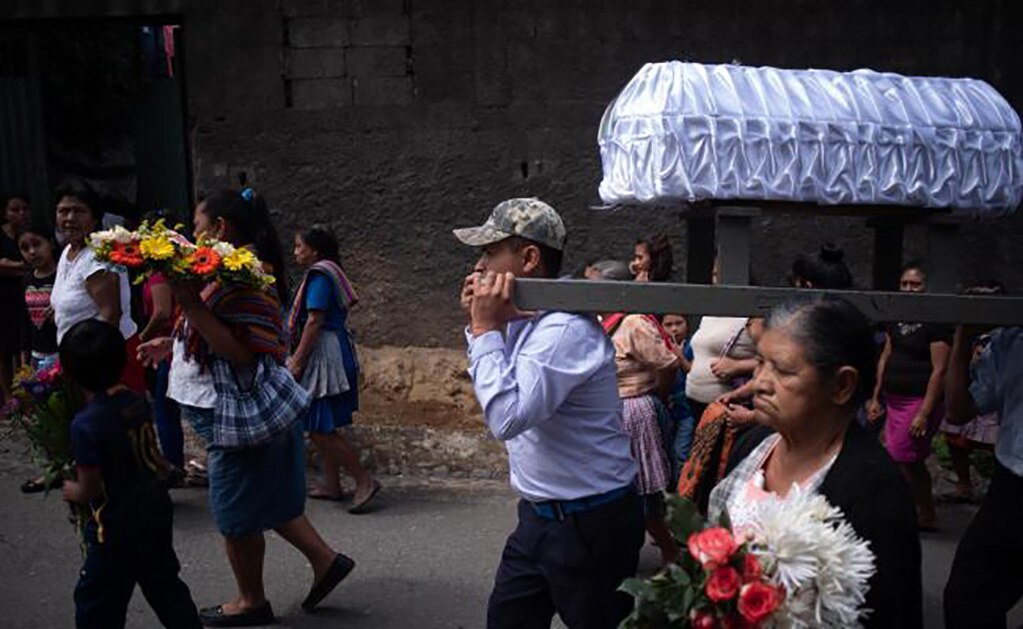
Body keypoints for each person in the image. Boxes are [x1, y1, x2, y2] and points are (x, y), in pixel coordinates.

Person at [159, 189, 354, 626]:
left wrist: (190, 304)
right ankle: (325, 561)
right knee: (265, 498)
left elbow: (243, 351)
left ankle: (251, 601)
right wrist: (174, 342)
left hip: (233, 411)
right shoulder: (226, 270)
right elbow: (216, 334)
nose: (193, 235)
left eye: (196, 225)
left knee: (234, 513)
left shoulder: (242, 275)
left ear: (220, 227)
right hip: (235, 405)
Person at [455, 198, 643, 629]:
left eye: (489, 253)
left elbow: (507, 417)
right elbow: (500, 379)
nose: (479, 266)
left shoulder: (564, 329)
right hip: (539, 518)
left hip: (591, 524)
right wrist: (484, 327)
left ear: (529, 257)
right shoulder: (526, 319)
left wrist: (485, 330)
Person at [709, 294, 922, 628]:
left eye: (783, 370)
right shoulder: (754, 447)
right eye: (760, 363)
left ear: (841, 385)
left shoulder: (874, 489)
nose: (760, 384)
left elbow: (890, 612)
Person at [59, 319, 201, 629]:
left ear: (70, 375)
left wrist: (70, 489)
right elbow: (153, 455)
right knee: (165, 586)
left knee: (98, 601)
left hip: (115, 527)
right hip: (154, 513)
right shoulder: (136, 402)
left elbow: (91, 489)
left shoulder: (86, 426)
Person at [288, 225, 380, 512]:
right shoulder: (328, 273)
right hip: (332, 349)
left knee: (318, 427)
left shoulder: (319, 276)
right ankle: (331, 483)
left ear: (314, 250)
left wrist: (298, 360)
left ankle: (364, 480)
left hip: (323, 355)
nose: (296, 252)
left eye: (300, 247)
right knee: (325, 422)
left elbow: (314, 320)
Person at [943, 317, 1023, 628]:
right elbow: (958, 410)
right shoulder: (1013, 339)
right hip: (1013, 488)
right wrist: (963, 337)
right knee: (968, 598)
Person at [866, 262, 950, 531]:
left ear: (926, 288)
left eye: (915, 284)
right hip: (894, 399)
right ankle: (922, 512)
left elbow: (940, 369)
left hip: (918, 401)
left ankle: (915, 511)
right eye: (904, 284)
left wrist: (924, 413)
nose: (908, 289)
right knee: (907, 461)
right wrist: (876, 397)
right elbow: (886, 356)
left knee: (903, 458)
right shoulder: (897, 315)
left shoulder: (936, 322)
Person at [49, 179, 145, 393]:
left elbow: (111, 317)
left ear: (94, 219)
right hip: (80, 361)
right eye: (63, 211)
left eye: (79, 211)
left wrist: (101, 379)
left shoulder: (97, 259)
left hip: (105, 365)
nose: (69, 218)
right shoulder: (69, 251)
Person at [17, 221, 61, 494]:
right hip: (37, 354)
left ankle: (72, 466)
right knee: (42, 416)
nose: (32, 252)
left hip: (61, 353)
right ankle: (52, 468)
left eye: (37, 244)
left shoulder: (62, 276)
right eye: (25, 248)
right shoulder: (27, 279)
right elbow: (26, 323)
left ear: (50, 243)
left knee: (64, 411)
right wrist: (25, 362)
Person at [940, 332, 999, 502]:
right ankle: (964, 485)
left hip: (995, 393)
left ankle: (998, 487)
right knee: (955, 438)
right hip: (970, 387)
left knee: (997, 443)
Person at [1, 192, 29, 402]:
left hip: (26, 296)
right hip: (3, 298)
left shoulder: (29, 235)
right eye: (15, 209)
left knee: (23, 346)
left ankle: (25, 392)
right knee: (3, 349)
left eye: (24, 209)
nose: (20, 214)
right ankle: (8, 396)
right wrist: (23, 266)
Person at [662, 313, 695, 481]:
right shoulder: (659, 348)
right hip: (668, 409)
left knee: (681, 452)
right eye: (668, 325)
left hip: (687, 411)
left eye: (678, 323)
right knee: (667, 451)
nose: (674, 329)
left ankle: (681, 495)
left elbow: (695, 374)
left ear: (687, 325)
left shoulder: (692, 346)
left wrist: (680, 357)